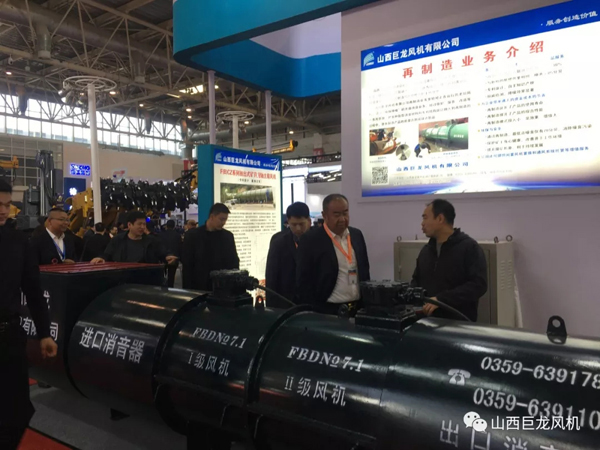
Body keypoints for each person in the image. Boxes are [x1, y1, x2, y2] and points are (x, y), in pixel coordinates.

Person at [0, 179, 57, 449]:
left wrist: (44, 333)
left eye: (7, 204)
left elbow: (33, 290)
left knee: (16, 411)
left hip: (8, 336)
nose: (3, 210)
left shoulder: (18, 242)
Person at [411, 199, 487, 322]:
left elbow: (478, 285)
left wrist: (441, 300)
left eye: (425, 218)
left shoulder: (469, 248)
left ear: (440, 219)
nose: (422, 223)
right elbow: (416, 280)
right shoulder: (426, 250)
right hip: (427, 323)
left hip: (458, 324)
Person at [296, 194, 370, 314]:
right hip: (327, 310)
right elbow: (303, 281)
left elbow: (365, 270)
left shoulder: (356, 235)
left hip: (357, 308)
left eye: (345, 213)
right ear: (325, 215)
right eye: (336, 215)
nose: (342, 219)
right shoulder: (311, 240)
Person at [182, 203, 239, 291]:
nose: (223, 223)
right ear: (212, 217)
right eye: (221, 219)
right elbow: (187, 265)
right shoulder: (193, 236)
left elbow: (234, 262)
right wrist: (188, 291)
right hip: (199, 287)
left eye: (225, 220)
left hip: (222, 289)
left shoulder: (228, 237)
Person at [266, 202, 311, 308]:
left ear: (309, 221)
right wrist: (270, 307)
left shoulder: (318, 239)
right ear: (288, 222)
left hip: (311, 302)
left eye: (301, 224)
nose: (298, 229)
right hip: (285, 301)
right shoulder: (278, 241)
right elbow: (271, 275)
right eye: (294, 225)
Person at [90, 211, 177, 265]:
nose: (142, 227)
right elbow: (107, 254)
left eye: (144, 224)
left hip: (147, 282)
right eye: (139, 224)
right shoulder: (118, 240)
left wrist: (168, 257)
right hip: (122, 282)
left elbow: (163, 253)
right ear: (129, 225)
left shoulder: (152, 241)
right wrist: (101, 258)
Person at [160, 220, 182, 288]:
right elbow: (179, 247)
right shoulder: (177, 235)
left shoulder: (161, 234)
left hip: (163, 257)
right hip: (174, 257)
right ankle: (170, 288)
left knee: (162, 275)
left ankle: (163, 287)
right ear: (174, 226)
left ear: (166, 225)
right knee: (171, 276)